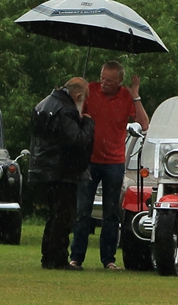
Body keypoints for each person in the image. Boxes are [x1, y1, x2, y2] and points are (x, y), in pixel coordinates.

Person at [71, 59, 149, 270]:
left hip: (114, 162)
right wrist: (79, 99)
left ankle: (109, 259)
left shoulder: (125, 96)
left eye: (109, 80)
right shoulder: (91, 89)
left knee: (111, 213)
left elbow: (144, 124)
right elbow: (75, 116)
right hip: (89, 159)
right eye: (102, 78)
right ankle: (76, 257)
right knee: (82, 211)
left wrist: (135, 96)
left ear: (119, 81)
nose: (104, 83)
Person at [30, 75, 95, 270]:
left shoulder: (44, 104)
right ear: (77, 95)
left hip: (43, 167)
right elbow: (77, 141)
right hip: (62, 170)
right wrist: (88, 124)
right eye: (84, 98)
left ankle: (48, 257)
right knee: (64, 216)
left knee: (54, 215)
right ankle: (57, 258)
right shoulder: (66, 111)